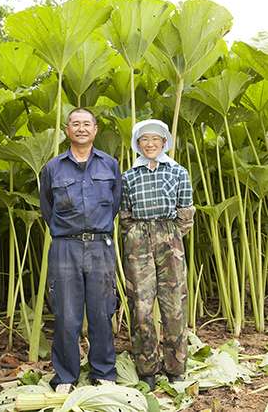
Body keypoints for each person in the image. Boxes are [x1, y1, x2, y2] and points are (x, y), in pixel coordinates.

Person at [40, 107, 122, 394]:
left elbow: (115, 204)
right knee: (66, 314)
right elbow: (47, 208)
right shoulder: (52, 168)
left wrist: (95, 231)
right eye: (75, 124)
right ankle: (65, 377)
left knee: (102, 312)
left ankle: (103, 372)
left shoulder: (110, 164)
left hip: (100, 246)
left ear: (95, 129)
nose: (81, 128)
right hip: (65, 246)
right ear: (67, 130)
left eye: (87, 123)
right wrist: (70, 234)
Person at [119, 119, 195, 391]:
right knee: (141, 306)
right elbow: (125, 215)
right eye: (144, 140)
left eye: (155, 139)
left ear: (165, 142)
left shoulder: (178, 172)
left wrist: (169, 235)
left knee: (174, 305)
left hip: (170, 237)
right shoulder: (128, 176)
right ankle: (147, 369)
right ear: (137, 144)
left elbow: (185, 214)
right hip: (138, 238)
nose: (150, 144)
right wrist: (139, 235)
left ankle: (175, 369)